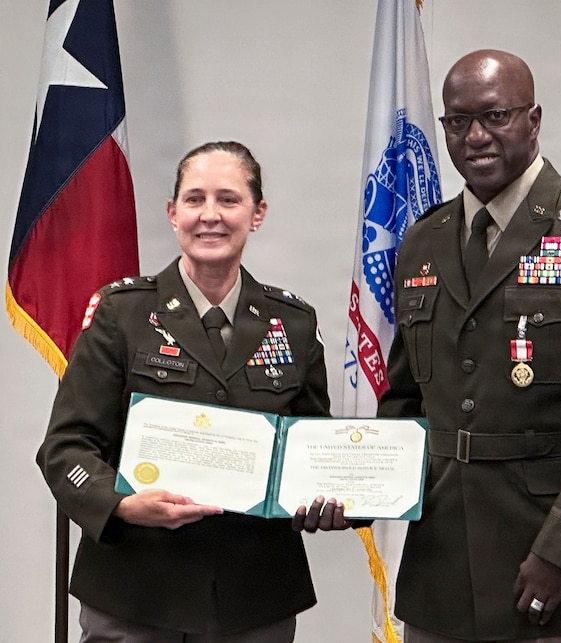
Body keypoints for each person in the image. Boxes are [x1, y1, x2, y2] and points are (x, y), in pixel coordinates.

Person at [377, 50, 561, 642]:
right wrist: (357, 488)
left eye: (495, 116)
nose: (475, 136)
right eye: (458, 121)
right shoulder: (423, 240)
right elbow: (407, 400)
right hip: (443, 572)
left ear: (534, 119)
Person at [37, 141, 350, 642]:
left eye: (228, 199)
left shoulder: (292, 323)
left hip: (253, 599)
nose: (210, 215)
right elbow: (65, 447)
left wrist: (338, 492)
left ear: (257, 213)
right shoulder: (122, 313)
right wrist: (121, 504)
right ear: (172, 212)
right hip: (135, 593)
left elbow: (311, 447)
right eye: (194, 199)